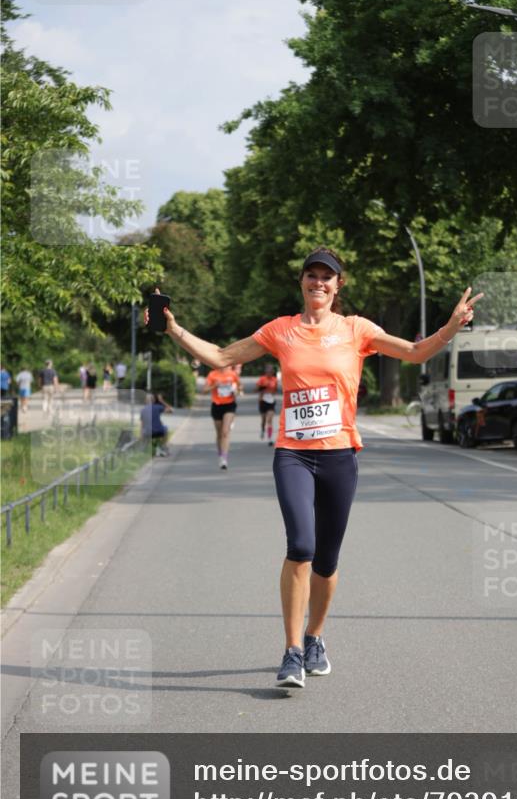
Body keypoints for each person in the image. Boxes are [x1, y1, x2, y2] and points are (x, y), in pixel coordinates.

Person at [146, 250, 482, 688]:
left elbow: (415, 353)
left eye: (327, 277)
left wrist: (451, 328)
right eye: (311, 275)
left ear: (338, 286)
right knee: (301, 546)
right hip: (294, 454)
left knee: (326, 560)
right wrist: (174, 328)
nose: (318, 282)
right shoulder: (281, 330)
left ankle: (315, 637)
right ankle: (291, 651)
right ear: (301, 283)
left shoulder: (356, 330)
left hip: (340, 456)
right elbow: (222, 357)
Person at [203, 361, 241, 469]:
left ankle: (224, 458)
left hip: (229, 405)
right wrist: (214, 386)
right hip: (217, 405)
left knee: (225, 432)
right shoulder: (212, 374)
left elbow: (239, 387)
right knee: (219, 434)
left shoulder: (232, 374)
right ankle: (220, 454)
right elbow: (204, 390)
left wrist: (236, 391)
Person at [140, 392, 173, 456]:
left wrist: (141, 435)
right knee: (165, 428)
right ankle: (163, 446)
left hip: (148, 433)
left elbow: (142, 424)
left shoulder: (143, 410)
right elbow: (171, 410)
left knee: (145, 431)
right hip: (159, 432)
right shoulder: (157, 407)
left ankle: (144, 449)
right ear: (154, 400)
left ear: (145, 401)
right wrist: (161, 401)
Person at [256, 364, 279, 445]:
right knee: (263, 420)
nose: (270, 372)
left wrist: (271, 392)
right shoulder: (262, 379)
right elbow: (256, 390)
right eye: (268, 371)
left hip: (271, 401)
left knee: (269, 420)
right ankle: (262, 430)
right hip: (263, 401)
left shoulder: (275, 380)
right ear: (266, 371)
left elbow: (275, 390)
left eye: (271, 371)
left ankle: (270, 438)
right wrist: (262, 388)